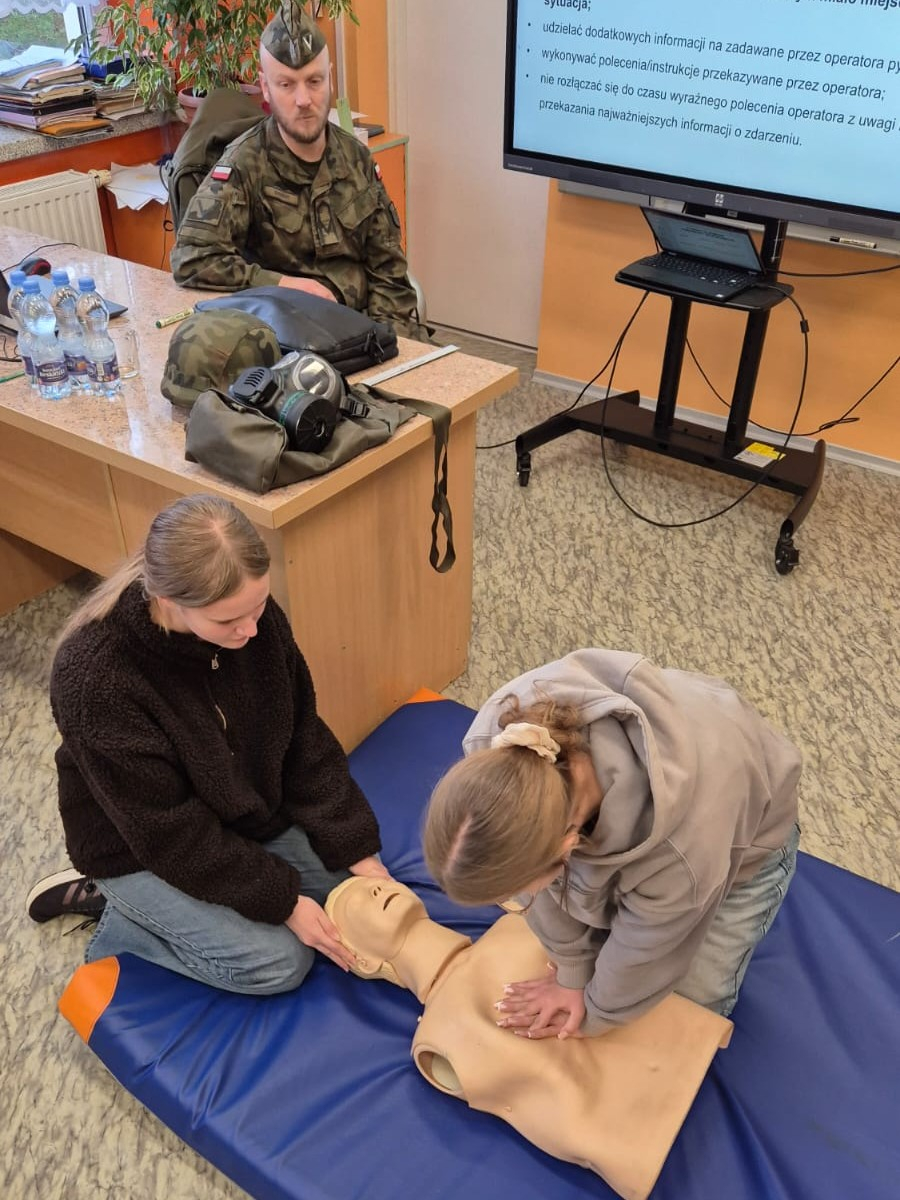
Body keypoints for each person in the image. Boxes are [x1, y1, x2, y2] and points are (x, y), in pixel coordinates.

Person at [26, 493, 389, 994]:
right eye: (227, 621)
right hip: (139, 846)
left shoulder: (252, 620)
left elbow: (303, 735)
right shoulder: (94, 678)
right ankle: (124, 913)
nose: (251, 630)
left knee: (346, 893)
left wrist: (358, 848)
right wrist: (283, 901)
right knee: (280, 964)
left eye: (258, 607)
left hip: (235, 814)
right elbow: (170, 833)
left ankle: (167, 908)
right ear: (167, 599)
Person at [422, 649, 802, 1038]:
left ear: (566, 846)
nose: (520, 896)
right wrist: (572, 972)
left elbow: (647, 954)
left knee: (682, 1011)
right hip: (690, 742)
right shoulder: (495, 742)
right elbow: (546, 888)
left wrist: (595, 1012)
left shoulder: (683, 853)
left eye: (519, 890)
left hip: (747, 833)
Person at [325, 875, 731, 1200]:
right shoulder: (436, 1036)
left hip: (682, 1038)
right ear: (362, 960)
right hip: (643, 1131)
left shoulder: (511, 924)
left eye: (374, 882)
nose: (375, 888)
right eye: (357, 899)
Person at [170, 3, 422, 339]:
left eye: (314, 81)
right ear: (265, 87)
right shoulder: (244, 165)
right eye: (287, 84)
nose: (304, 99)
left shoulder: (356, 158)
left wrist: (390, 344)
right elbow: (191, 259)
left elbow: (389, 272)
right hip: (290, 343)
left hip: (366, 333)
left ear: (330, 77)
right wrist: (281, 284)